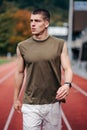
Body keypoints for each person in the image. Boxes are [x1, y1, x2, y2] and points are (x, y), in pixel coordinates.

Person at [13, 8, 73, 130]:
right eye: (31, 21)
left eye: (37, 21)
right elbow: (19, 73)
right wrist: (15, 98)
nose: (32, 24)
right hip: (30, 103)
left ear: (46, 23)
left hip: (53, 102)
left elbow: (67, 69)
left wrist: (67, 84)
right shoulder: (22, 46)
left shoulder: (60, 44)